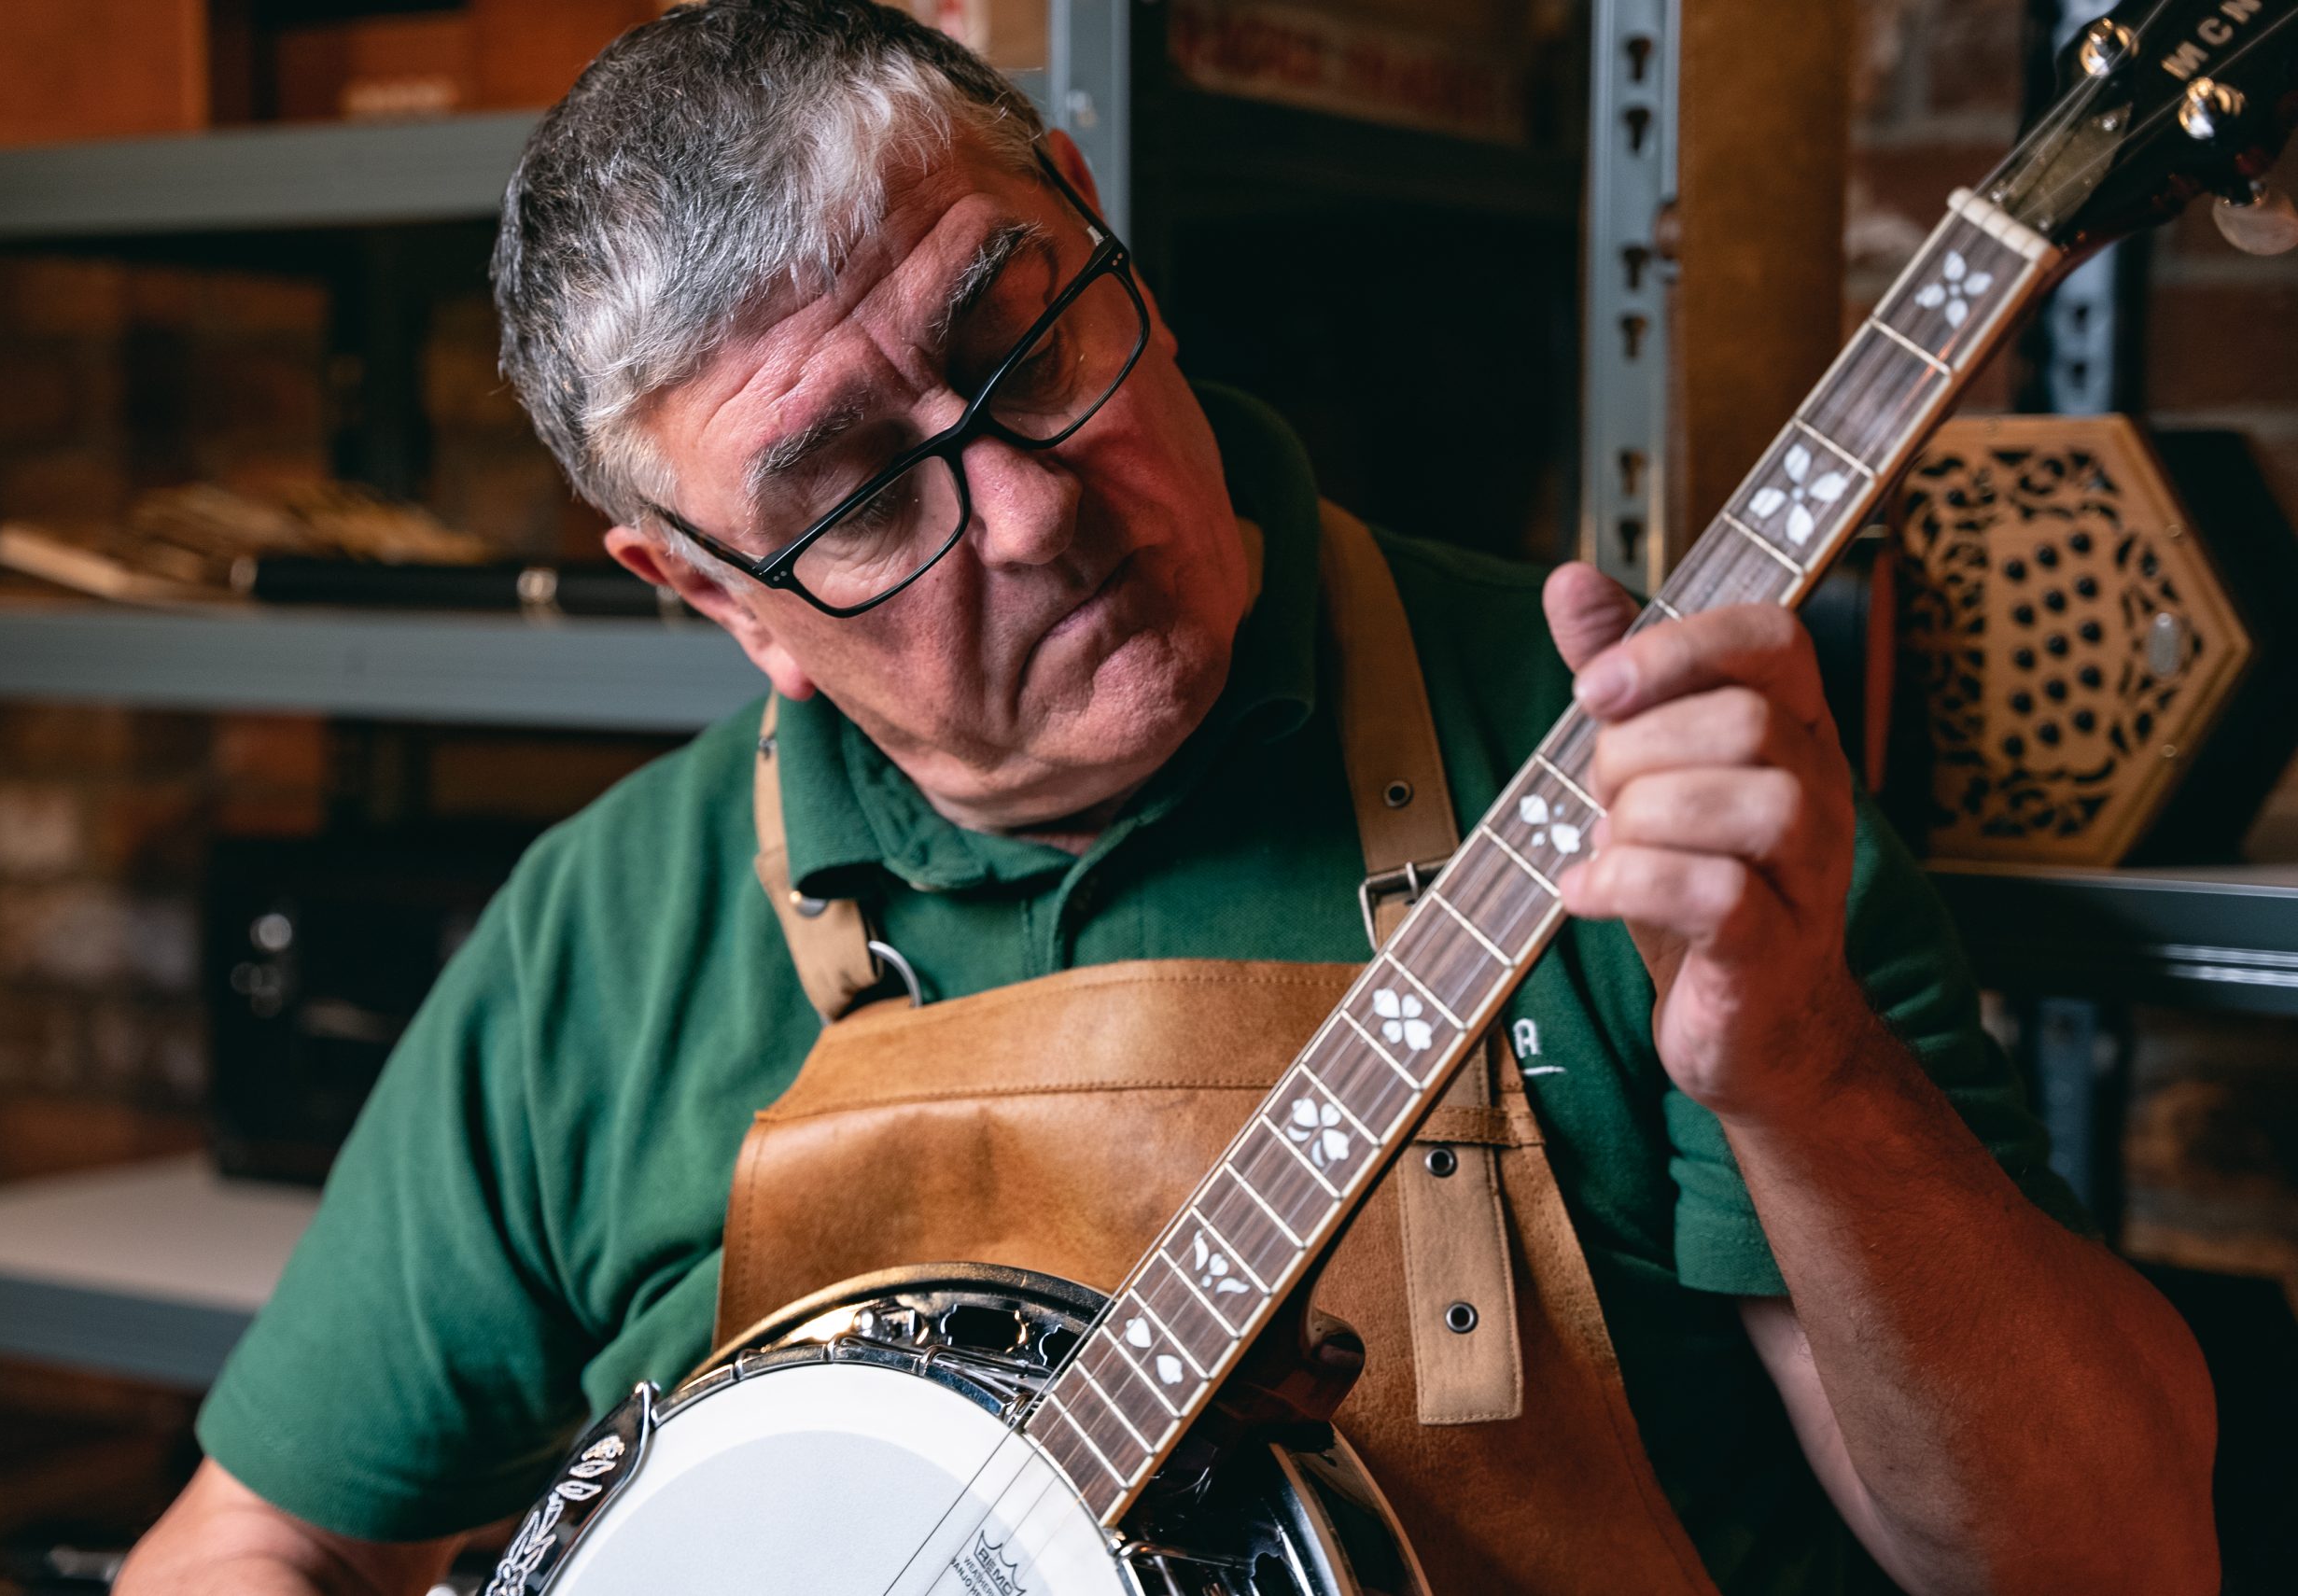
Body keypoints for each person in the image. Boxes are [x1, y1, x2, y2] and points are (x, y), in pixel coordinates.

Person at [119, 4, 2217, 1592]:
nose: (1029, 508)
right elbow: (238, 1544)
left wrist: (1806, 1077)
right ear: (700, 595)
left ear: (1096, 222)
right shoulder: (612, 929)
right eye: (854, 493)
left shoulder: (1630, 769)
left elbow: (2102, 1558)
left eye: (1022, 335)